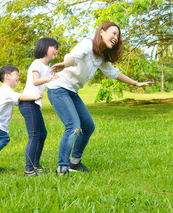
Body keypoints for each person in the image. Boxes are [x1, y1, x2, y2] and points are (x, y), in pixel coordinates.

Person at [47, 21, 154, 175]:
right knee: (73, 126)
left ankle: (74, 164)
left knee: (88, 126)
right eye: (114, 33)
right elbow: (73, 57)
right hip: (58, 88)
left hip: (72, 91)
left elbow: (115, 73)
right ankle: (62, 169)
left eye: (118, 36)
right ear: (102, 31)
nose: (116, 38)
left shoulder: (101, 57)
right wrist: (64, 64)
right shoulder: (86, 45)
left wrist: (136, 83)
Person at [0, 65, 42, 172]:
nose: (18, 77)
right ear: (7, 76)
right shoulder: (6, 90)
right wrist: (35, 97)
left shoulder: (7, 91)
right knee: (5, 139)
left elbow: (18, 101)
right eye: (16, 74)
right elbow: (20, 97)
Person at [19, 38, 59, 177]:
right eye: (53, 47)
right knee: (35, 135)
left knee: (43, 134)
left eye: (56, 48)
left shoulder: (47, 68)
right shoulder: (37, 63)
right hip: (28, 102)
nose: (56, 50)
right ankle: (28, 170)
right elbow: (35, 81)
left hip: (34, 103)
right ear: (44, 48)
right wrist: (50, 78)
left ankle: (36, 165)